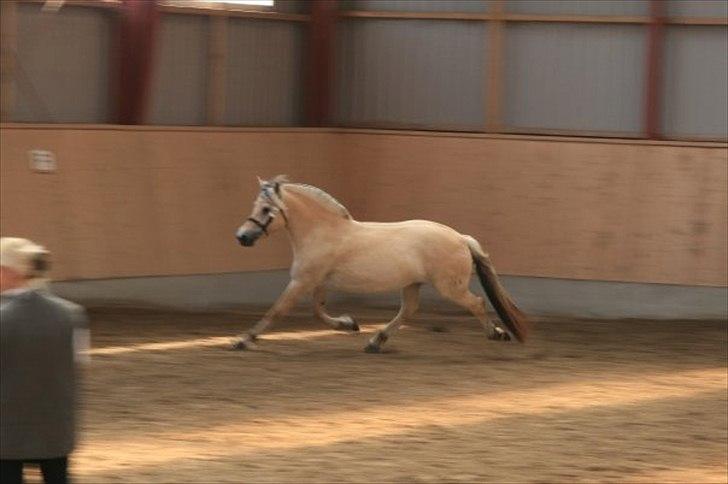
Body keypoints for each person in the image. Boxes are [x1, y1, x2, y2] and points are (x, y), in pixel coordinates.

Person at [0, 237, 89, 484]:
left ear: (7, 271)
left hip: (7, 427)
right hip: (56, 423)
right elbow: (79, 363)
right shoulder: (71, 313)